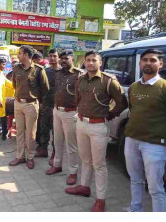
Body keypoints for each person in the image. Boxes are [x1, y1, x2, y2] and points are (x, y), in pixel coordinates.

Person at [123, 49, 166, 212]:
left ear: (161, 64)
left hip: (154, 144)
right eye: (145, 60)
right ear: (140, 63)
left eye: (153, 60)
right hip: (131, 140)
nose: (148, 63)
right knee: (135, 179)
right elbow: (133, 111)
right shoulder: (134, 87)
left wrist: (159, 131)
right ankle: (135, 209)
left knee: (155, 187)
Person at [65, 50, 128, 212]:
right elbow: (77, 99)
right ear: (84, 62)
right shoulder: (80, 79)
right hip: (81, 123)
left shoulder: (108, 81)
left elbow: (122, 102)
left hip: (99, 126)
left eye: (94, 60)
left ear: (100, 63)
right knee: (85, 159)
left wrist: (111, 114)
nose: (91, 63)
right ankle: (84, 187)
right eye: (88, 60)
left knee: (99, 164)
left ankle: (101, 199)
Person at [45, 49, 83, 184]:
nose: (63, 61)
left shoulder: (79, 75)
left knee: (71, 145)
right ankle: (57, 165)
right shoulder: (58, 73)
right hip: (57, 111)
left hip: (71, 113)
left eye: (66, 58)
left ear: (73, 59)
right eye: (62, 59)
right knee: (57, 141)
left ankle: (73, 172)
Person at [9, 45, 49, 169]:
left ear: (26, 55)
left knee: (31, 133)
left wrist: (38, 101)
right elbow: (14, 85)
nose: (18, 56)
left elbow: (45, 88)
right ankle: (20, 156)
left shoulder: (38, 70)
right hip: (18, 103)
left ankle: (30, 157)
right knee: (19, 132)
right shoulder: (16, 69)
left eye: (20, 53)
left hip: (31, 104)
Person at [36, 49, 61, 163]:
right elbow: (40, 88)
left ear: (58, 57)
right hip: (46, 104)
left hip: (57, 106)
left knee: (56, 132)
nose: (52, 58)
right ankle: (43, 149)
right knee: (43, 128)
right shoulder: (45, 71)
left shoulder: (63, 71)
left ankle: (55, 154)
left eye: (54, 56)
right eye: (50, 56)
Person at [3, 56, 19, 140]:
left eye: (16, 63)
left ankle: (16, 134)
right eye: (13, 63)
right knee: (9, 118)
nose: (14, 65)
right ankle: (8, 133)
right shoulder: (8, 75)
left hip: (18, 100)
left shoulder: (21, 74)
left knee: (18, 119)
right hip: (9, 100)